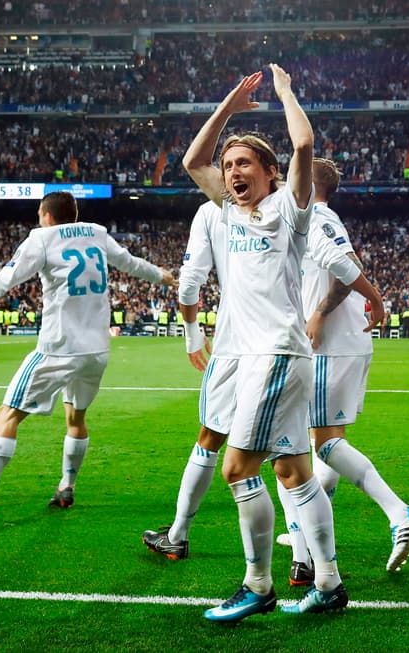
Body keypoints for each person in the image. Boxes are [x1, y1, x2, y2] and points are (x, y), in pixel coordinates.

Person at [182, 65, 346, 621]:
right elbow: (191, 162)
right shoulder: (229, 211)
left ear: (271, 173)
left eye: (244, 163)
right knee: (292, 471)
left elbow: (303, 143)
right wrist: (229, 106)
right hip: (255, 357)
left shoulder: (289, 210)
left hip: (275, 354)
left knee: (237, 469)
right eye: (228, 166)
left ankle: (259, 585)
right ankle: (328, 583)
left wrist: (284, 93)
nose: (231, 172)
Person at [0, 191, 174, 523]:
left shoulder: (41, 238)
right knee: (76, 418)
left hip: (57, 349)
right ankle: (66, 486)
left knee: (7, 414)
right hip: (96, 350)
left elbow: (2, 283)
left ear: (47, 216)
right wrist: (163, 276)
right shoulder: (96, 232)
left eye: (40, 215)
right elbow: (131, 264)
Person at [277, 158, 409, 584]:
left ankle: (398, 511)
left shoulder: (316, 216)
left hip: (330, 346)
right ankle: (308, 524)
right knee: (320, 440)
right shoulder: (320, 217)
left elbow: (344, 263)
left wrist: (320, 313)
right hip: (342, 345)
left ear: (304, 182)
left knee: (315, 444)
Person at [142, 198, 233, 561]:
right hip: (291, 346)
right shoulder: (290, 206)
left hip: (236, 344)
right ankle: (308, 560)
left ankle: (178, 535)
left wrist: (192, 333)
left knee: (211, 438)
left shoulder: (212, 212)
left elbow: (190, 281)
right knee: (286, 454)